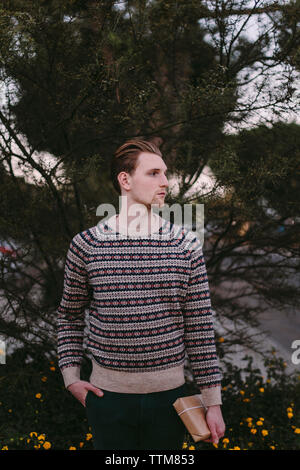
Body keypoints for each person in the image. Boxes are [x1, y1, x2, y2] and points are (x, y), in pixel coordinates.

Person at [57, 139, 225, 450]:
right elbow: (69, 317)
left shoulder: (185, 245)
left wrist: (213, 402)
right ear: (125, 179)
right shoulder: (87, 245)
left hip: (171, 399)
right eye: (153, 173)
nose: (165, 182)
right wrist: (71, 377)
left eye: (165, 173)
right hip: (107, 399)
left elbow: (200, 327)